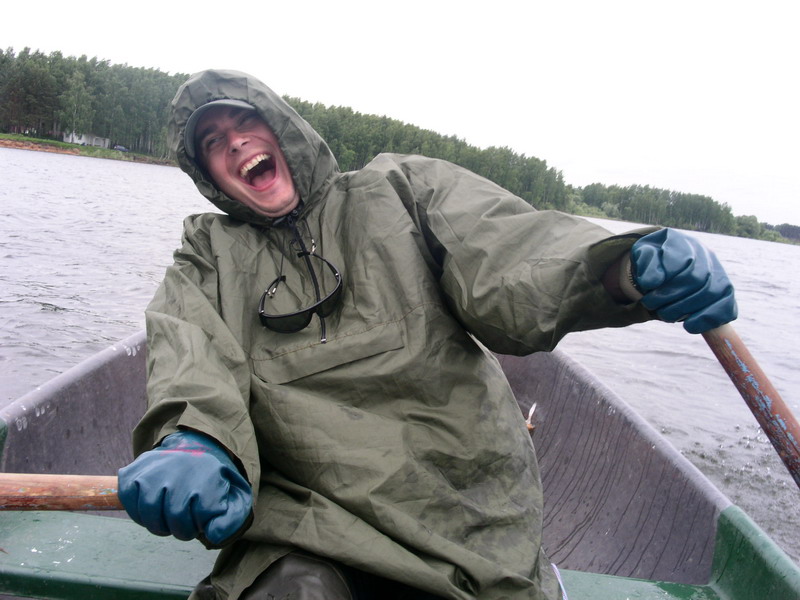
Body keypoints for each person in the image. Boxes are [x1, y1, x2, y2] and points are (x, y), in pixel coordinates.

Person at [118, 69, 737, 600]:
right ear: (209, 175)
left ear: (283, 128)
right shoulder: (207, 255)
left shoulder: (399, 190)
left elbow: (510, 258)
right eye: (213, 142)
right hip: (308, 520)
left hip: (459, 506)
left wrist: (622, 271)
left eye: (244, 122)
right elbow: (189, 351)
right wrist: (195, 439)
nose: (235, 142)